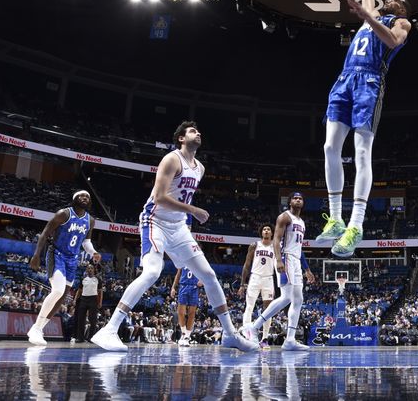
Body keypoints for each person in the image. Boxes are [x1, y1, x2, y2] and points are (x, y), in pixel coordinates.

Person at [91, 121, 257, 352]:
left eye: (199, 130)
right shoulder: (171, 159)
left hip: (178, 227)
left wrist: (187, 215)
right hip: (155, 221)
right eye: (192, 131)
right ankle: (109, 330)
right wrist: (193, 210)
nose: (198, 133)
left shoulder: (199, 167)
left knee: (209, 275)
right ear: (181, 138)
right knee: (152, 272)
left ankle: (230, 334)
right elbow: (159, 197)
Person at [317, 0, 412, 258]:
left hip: (370, 81)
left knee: (360, 152)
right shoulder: (371, 18)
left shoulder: (401, 24)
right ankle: (335, 219)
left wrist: (367, 16)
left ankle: (355, 225)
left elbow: (393, 41)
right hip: (345, 78)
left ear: (403, 10)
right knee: (330, 146)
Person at [241, 193, 316, 350]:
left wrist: (307, 269)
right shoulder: (284, 217)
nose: (298, 200)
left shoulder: (302, 222)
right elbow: (276, 240)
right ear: (290, 202)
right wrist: (279, 259)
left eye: (301, 198)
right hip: (286, 257)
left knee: (298, 300)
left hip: (295, 260)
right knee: (286, 297)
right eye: (295, 198)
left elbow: (300, 249)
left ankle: (289, 340)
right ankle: (254, 327)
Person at [28, 190, 101, 345]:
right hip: (57, 254)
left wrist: (93, 252)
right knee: (58, 290)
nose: (85, 198)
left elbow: (86, 242)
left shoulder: (90, 221)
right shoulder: (64, 214)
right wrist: (36, 255)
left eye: (87, 196)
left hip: (72, 260)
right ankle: (35, 328)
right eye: (81, 196)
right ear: (74, 199)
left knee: (61, 298)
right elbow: (45, 233)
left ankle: (39, 329)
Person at [238, 224, 277, 348]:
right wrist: (242, 284)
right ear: (261, 232)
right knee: (249, 306)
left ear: (272, 233)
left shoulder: (275, 247)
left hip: (269, 279)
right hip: (255, 277)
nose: (266, 231)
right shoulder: (254, 245)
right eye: (264, 229)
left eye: (268, 229)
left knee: (268, 310)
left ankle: (264, 338)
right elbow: (246, 265)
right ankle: (247, 334)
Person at [170, 266, 203, 346]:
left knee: (191, 314)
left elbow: (204, 272)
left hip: (194, 288)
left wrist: (202, 280)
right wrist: (173, 287)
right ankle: (183, 334)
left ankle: (187, 337)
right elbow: (178, 274)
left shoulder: (197, 259)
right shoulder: (182, 259)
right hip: (183, 286)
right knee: (181, 313)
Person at [72, 263, 102, 343]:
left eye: (91, 268)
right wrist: (75, 300)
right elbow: (79, 290)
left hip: (93, 299)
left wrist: (100, 302)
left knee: (93, 320)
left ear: (94, 269)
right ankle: (80, 338)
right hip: (83, 299)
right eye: (88, 268)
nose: (90, 269)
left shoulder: (98, 279)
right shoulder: (83, 279)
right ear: (86, 270)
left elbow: (100, 292)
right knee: (81, 319)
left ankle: (91, 337)